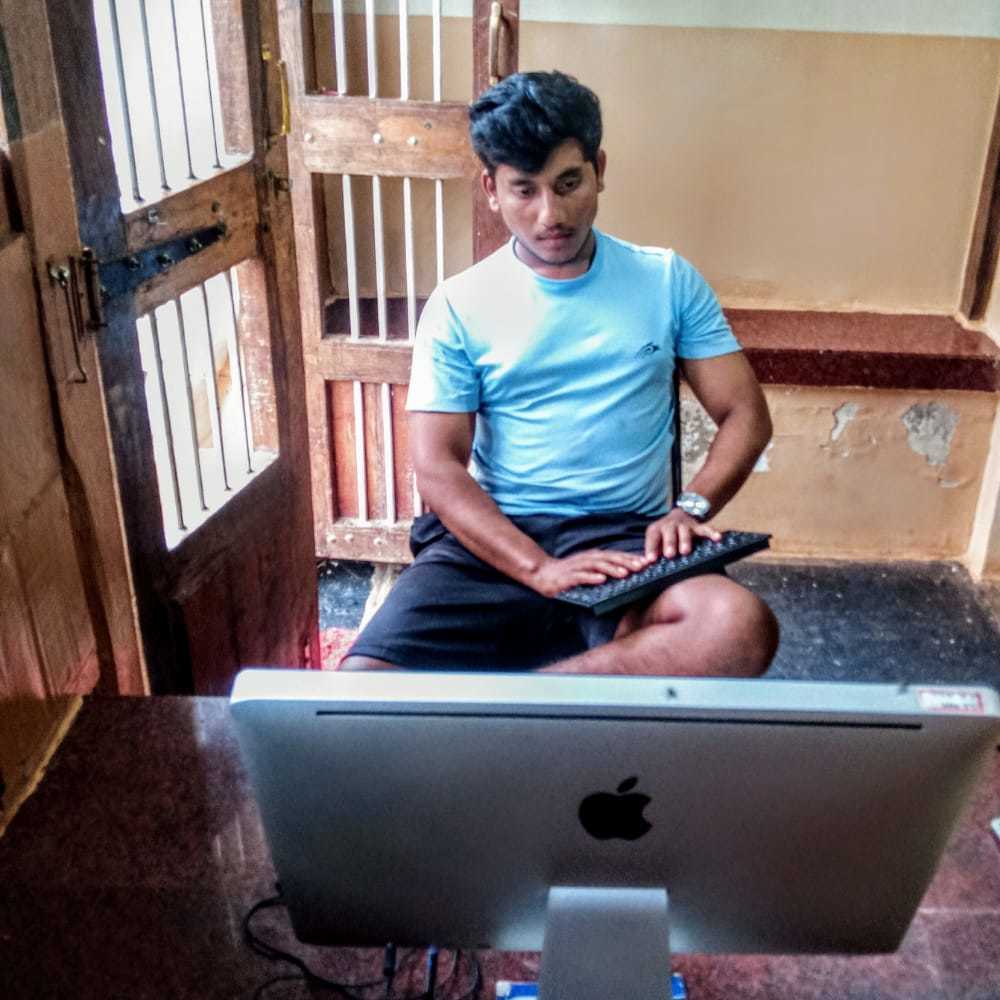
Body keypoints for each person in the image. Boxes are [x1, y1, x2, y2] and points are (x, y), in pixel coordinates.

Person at [342, 70, 778, 677]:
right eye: (524, 190)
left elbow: (745, 415)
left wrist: (690, 509)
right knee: (364, 685)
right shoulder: (459, 304)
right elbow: (437, 465)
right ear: (492, 189)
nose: (551, 214)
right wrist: (537, 567)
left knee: (736, 627)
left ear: (600, 169)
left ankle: (508, 710)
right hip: (494, 541)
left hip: (632, 538)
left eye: (568, 183)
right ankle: (552, 707)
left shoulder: (665, 280)